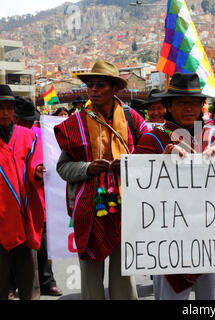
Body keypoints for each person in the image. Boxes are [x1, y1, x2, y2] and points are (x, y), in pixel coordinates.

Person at [54, 60, 148, 300]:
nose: (94, 90)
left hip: (126, 206)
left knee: (123, 274)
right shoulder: (76, 123)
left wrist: (128, 163)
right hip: (88, 209)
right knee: (90, 276)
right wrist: (88, 168)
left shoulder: (132, 119)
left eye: (100, 85)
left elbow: (150, 154)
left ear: (115, 89)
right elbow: (63, 167)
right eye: (91, 85)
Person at [133, 72, 215, 300]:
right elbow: (135, 187)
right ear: (168, 106)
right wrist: (161, 164)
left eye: (194, 103)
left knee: (211, 298)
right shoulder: (152, 140)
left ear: (202, 106)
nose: (188, 109)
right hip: (168, 238)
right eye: (181, 103)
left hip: (212, 237)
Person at [13, 97, 63, 297]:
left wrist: (39, 170)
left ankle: (46, 280)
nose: (28, 124)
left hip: (38, 197)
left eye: (30, 121)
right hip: (12, 200)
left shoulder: (39, 133)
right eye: (23, 121)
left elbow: (48, 159)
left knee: (43, 242)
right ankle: (10, 284)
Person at [0, 85, 45, 300]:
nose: (4, 112)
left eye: (9, 108)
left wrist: (37, 172)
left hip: (25, 217)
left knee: (29, 282)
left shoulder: (28, 137)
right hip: (1, 220)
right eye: (0, 108)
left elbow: (36, 163)